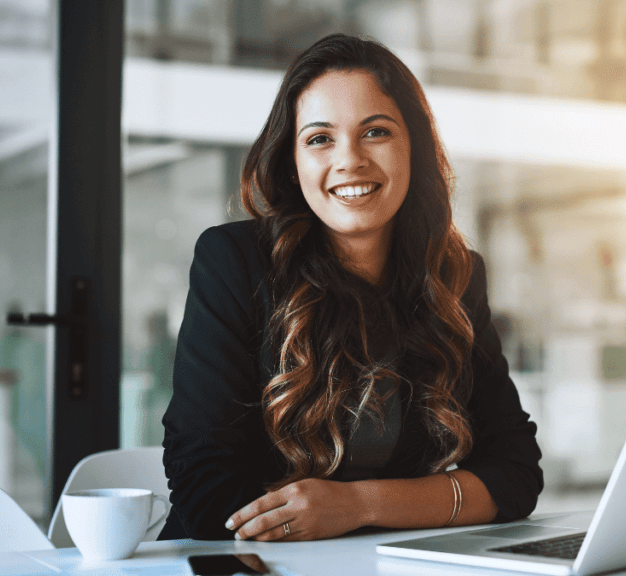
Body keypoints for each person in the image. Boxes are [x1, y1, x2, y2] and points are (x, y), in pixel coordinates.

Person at [159, 33, 543, 542]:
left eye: (376, 132)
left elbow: (515, 475)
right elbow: (207, 494)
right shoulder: (232, 262)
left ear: (414, 149)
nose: (350, 160)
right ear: (293, 165)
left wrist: (359, 504)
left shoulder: (455, 275)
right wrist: (421, 504)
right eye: (320, 139)